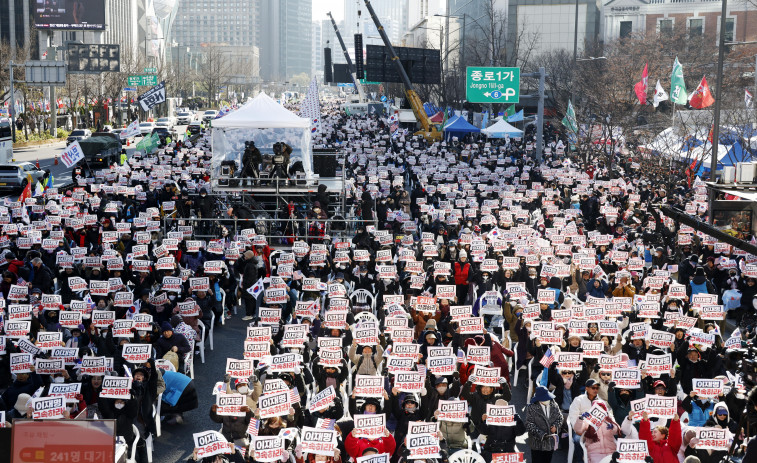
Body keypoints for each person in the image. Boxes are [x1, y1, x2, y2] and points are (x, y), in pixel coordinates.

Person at [525, 386, 563, 463]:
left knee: (547, 460)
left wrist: (556, 426)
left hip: (550, 442)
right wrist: (542, 434)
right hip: (537, 443)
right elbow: (529, 424)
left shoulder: (554, 405)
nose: (547, 400)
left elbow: (560, 418)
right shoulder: (531, 408)